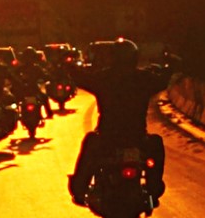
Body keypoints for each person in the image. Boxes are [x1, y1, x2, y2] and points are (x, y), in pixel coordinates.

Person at [65, 38, 179, 203]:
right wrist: (171, 66)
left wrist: (70, 66)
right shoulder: (143, 78)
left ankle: (79, 189)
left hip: (109, 138)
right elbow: (162, 81)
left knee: (90, 144)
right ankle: (154, 187)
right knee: (156, 144)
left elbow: (82, 78)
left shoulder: (104, 78)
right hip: (136, 137)